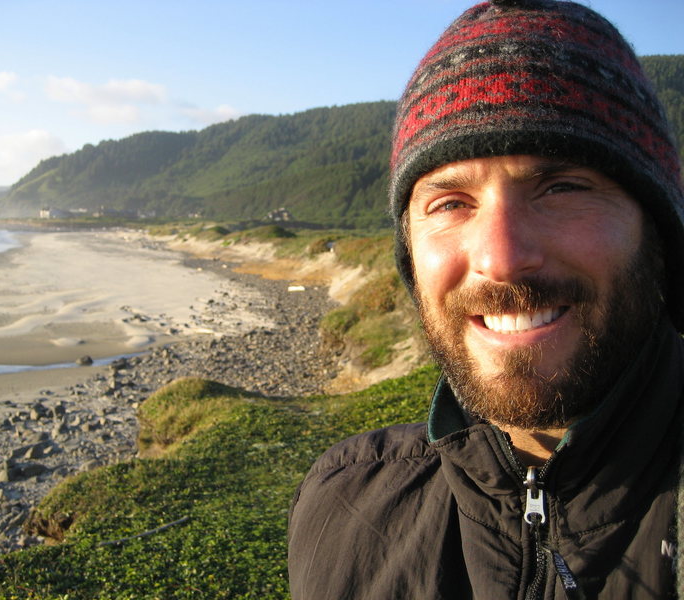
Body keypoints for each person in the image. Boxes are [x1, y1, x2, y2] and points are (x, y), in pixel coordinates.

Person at [287, 0, 684, 597]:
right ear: (410, 254)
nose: (500, 257)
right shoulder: (343, 506)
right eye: (450, 203)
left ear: (656, 232)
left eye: (564, 187)